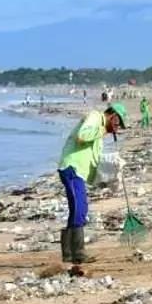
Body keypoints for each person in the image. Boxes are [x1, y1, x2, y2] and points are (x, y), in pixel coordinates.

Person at [57, 103, 127, 264]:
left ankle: (69, 254)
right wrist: (101, 130)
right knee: (79, 209)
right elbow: (82, 136)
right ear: (112, 115)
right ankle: (78, 253)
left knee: (78, 209)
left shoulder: (100, 134)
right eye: (117, 123)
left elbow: (94, 160)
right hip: (71, 168)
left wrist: (107, 176)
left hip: (79, 172)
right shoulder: (95, 117)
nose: (116, 128)